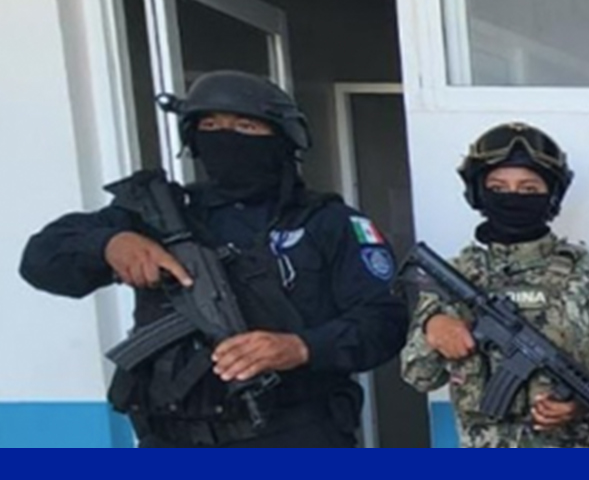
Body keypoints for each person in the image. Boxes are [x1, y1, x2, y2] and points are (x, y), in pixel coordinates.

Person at [19, 71, 407, 447]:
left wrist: (302, 347)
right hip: (170, 441)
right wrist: (109, 243)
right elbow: (40, 260)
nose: (226, 137)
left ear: (283, 138)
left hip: (290, 434)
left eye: (246, 127)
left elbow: (384, 321)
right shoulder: (158, 216)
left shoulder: (328, 223)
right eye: (210, 126)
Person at [400, 123, 589, 448]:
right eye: (498, 188)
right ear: (478, 193)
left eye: (529, 189)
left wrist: (581, 404)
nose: (513, 198)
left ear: (552, 196)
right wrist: (433, 328)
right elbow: (419, 376)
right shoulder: (457, 276)